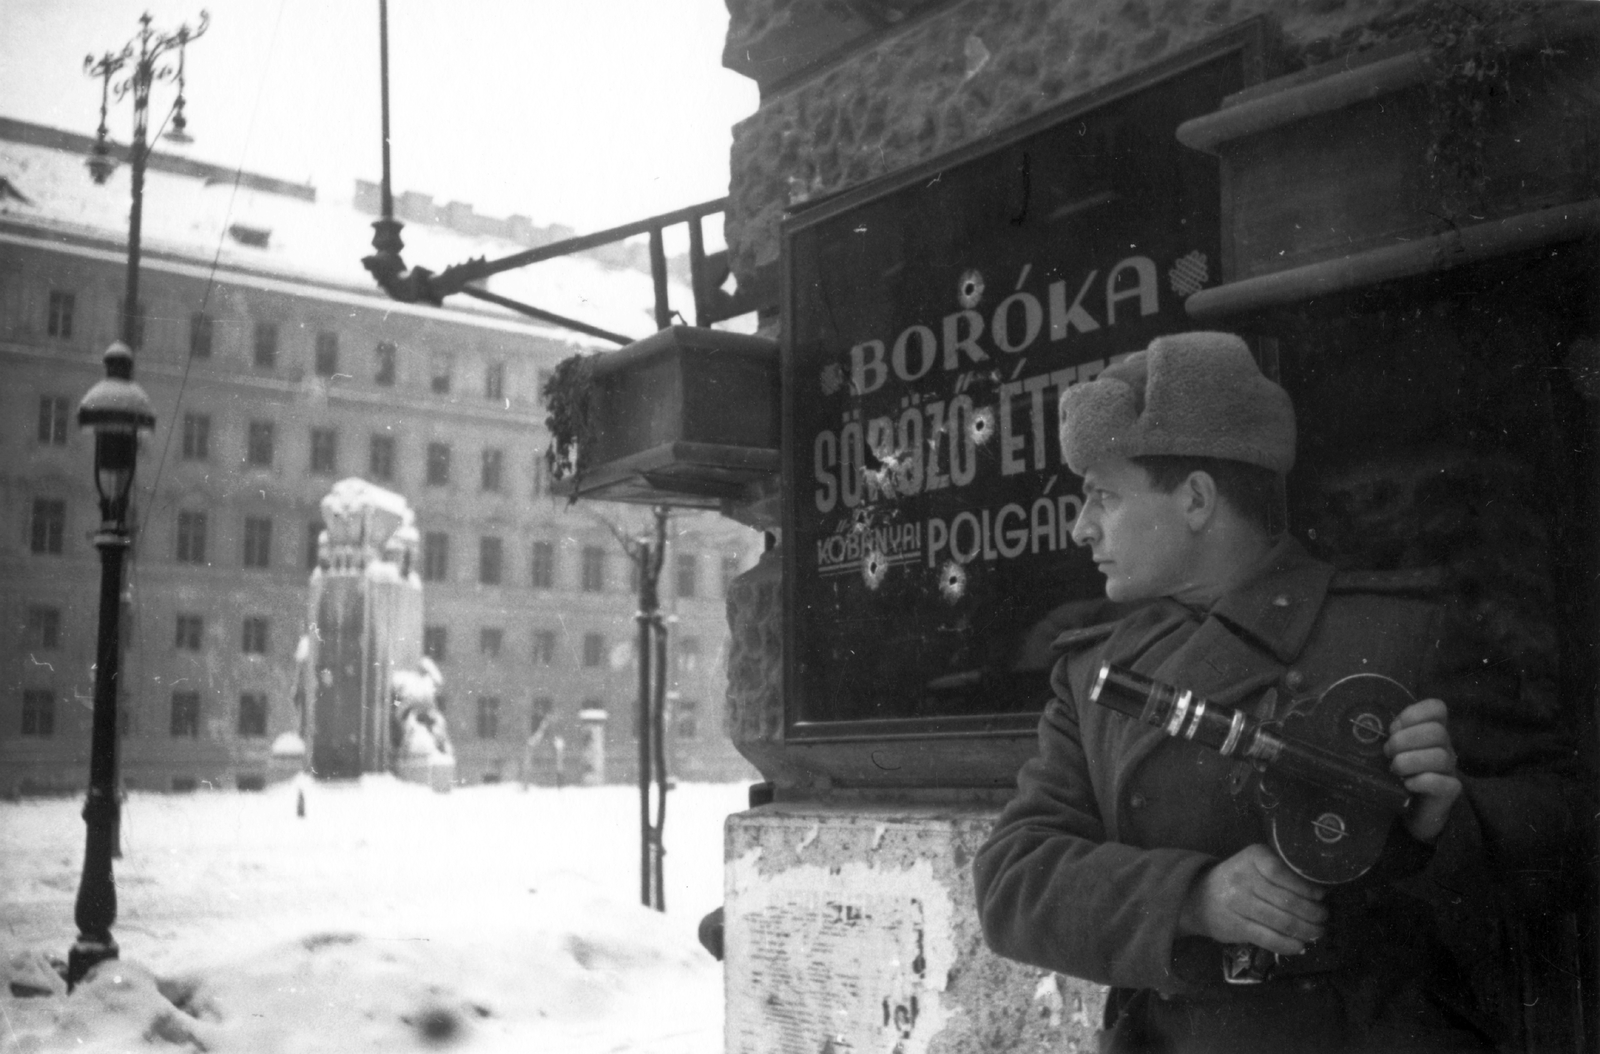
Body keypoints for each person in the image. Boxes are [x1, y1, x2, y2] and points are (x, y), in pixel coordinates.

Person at [972, 331, 1587, 1053]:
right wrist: (1194, 899)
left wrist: (1439, 823)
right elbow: (1012, 882)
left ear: (1197, 499)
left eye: (1103, 496)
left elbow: (1566, 823)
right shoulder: (1091, 673)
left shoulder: (1402, 635)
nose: (1081, 527)